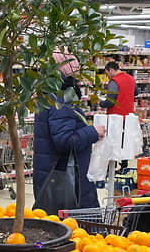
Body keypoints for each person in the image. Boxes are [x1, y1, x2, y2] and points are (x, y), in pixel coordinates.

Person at [33, 75, 106, 212]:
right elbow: (65, 141)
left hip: (51, 175)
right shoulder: (62, 99)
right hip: (68, 178)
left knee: (54, 225)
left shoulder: (48, 96)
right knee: (76, 228)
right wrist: (92, 132)